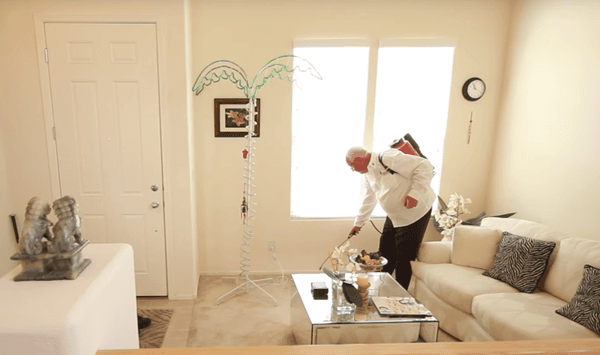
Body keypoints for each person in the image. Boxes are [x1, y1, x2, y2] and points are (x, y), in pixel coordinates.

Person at [346, 146, 435, 290]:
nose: (353, 170)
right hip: (395, 217)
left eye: (352, 166)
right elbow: (369, 199)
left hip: (415, 215)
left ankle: (400, 300)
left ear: (359, 160)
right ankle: (382, 292)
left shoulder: (387, 157)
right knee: (385, 254)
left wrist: (415, 194)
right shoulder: (369, 174)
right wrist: (359, 223)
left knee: (404, 260)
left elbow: (424, 166)